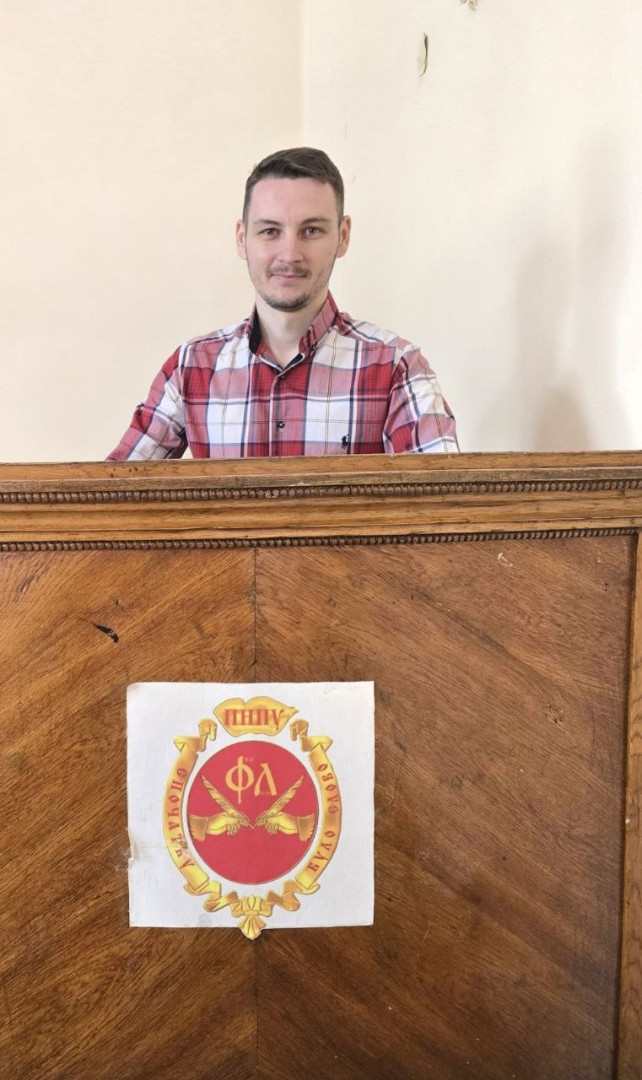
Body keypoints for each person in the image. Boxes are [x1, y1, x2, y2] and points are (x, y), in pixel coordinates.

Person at [107, 148, 458, 460]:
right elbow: (111, 498)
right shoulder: (191, 367)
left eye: (312, 230)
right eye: (270, 231)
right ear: (242, 239)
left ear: (343, 236)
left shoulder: (398, 367)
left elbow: (444, 502)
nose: (290, 254)